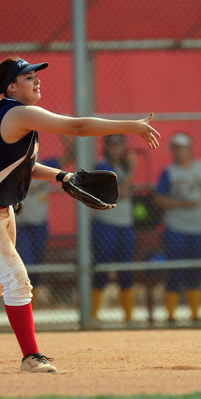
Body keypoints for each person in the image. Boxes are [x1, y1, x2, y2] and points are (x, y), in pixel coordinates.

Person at [0, 57, 160, 373]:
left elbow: (20, 166)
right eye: (28, 77)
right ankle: (31, 356)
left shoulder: (12, 116)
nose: (37, 80)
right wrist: (131, 126)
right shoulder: (18, 112)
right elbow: (77, 127)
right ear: (11, 87)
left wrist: (62, 176)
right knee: (17, 280)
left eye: (36, 76)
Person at [154, 133, 201, 326]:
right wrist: (181, 204)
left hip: (199, 227)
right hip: (175, 227)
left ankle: (195, 315)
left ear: (190, 148)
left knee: (195, 270)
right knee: (175, 270)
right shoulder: (169, 171)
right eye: (175, 147)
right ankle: (171, 316)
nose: (179, 151)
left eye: (182, 147)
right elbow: (158, 199)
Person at [15, 135, 73, 301]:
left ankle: (31, 305)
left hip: (40, 225)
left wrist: (61, 133)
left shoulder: (45, 165)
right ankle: (24, 302)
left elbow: (70, 156)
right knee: (27, 264)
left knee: (38, 266)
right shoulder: (14, 167)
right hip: (21, 225)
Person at [90, 134, 137, 325]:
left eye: (120, 144)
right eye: (112, 145)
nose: (116, 148)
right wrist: (133, 171)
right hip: (105, 223)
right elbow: (118, 193)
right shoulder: (102, 167)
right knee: (102, 267)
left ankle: (128, 317)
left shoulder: (123, 167)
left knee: (126, 268)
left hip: (125, 223)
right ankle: (92, 316)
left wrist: (129, 170)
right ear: (106, 147)